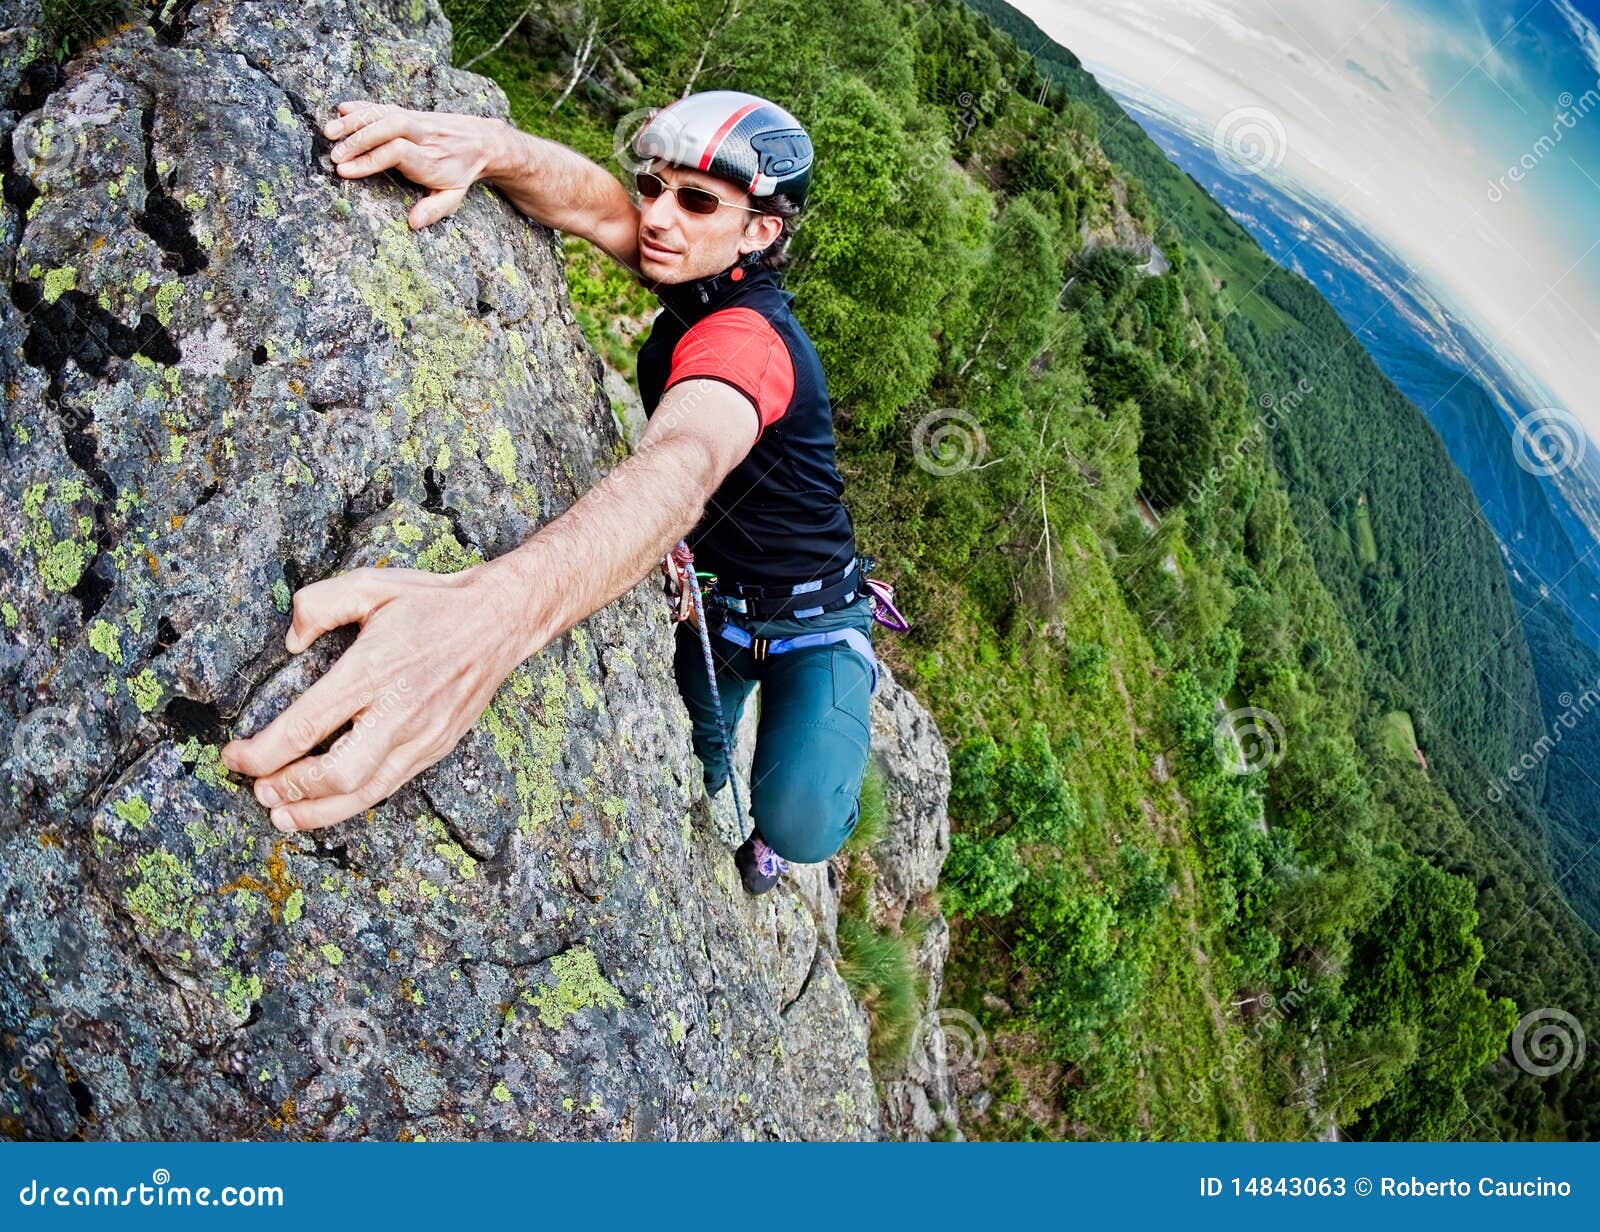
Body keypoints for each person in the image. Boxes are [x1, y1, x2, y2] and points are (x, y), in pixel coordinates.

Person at [219, 90, 878, 895]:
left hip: (814, 615)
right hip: (716, 601)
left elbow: (686, 461)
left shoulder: (749, 339)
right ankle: (725, 770)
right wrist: (490, 146)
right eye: (655, 186)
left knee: (800, 818)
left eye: (697, 199)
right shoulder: (697, 269)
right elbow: (597, 207)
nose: (661, 217)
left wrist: (494, 616)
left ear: (761, 229)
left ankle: (779, 835)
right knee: (699, 759)